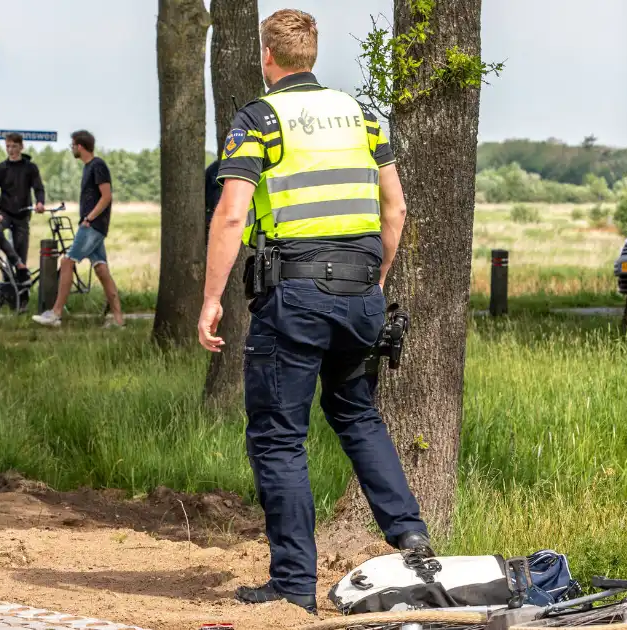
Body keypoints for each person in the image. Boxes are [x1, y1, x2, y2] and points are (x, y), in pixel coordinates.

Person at [196, 8, 429, 614]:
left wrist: (211, 298)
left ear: (267, 58)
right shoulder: (364, 116)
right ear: (313, 56)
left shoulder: (260, 119)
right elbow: (395, 210)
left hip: (295, 296)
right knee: (357, 414)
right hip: (361, 295)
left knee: (278, 437)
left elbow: (230, 214)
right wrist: (375, 277)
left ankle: (293, 586)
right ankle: (411, 534)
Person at [31, 130, 124, 328]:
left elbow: (106, 196)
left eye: (73, 145)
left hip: (92, 226)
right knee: (101, 269)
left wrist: (89, 219)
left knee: (67, 262)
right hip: (93, 225)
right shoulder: (88, 167)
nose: (72, 148)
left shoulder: (97, 165)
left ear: (80, 146)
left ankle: (55, 314)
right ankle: (118, 320)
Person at [0, 132, 46, 284]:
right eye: (8, 146)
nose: (11, 150)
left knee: (22, 256)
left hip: (22, 215)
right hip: (4, 212)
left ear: (21, 147)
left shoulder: (30, 168)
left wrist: (40, 202)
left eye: (14, 146)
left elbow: (39, 188)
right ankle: (16, 262)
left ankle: (22, 301)